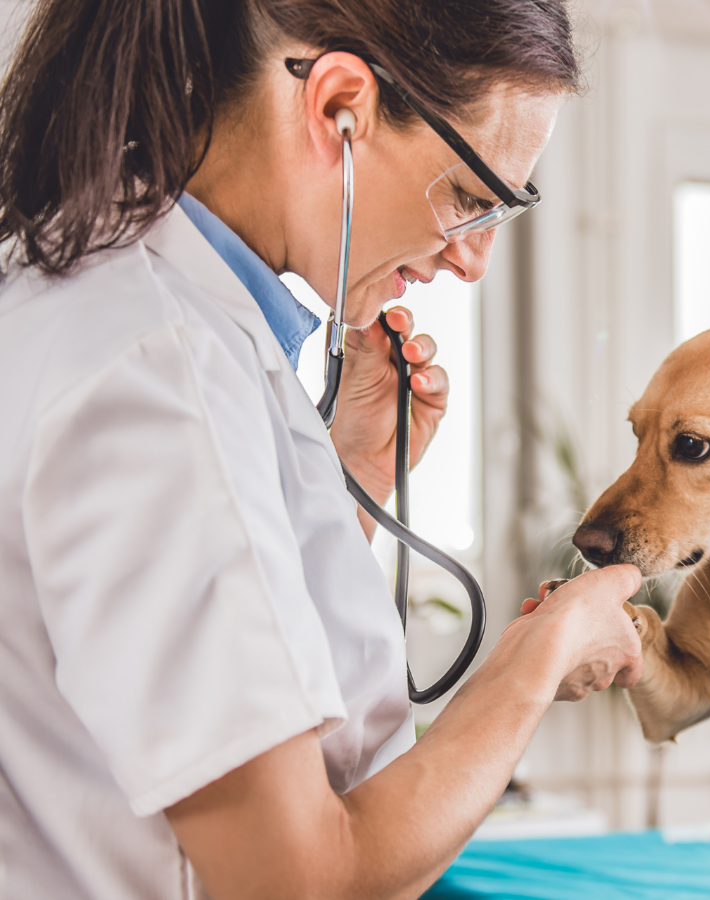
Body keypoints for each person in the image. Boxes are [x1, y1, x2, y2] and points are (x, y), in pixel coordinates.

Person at [0, 1, 644, 897]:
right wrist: (536, 658)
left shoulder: (141, 317)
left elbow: (211, 666)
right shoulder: (156, 375)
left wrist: (351, 480)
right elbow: (295, 878)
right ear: (339, 106)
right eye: (468, 198)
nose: (472, 262)